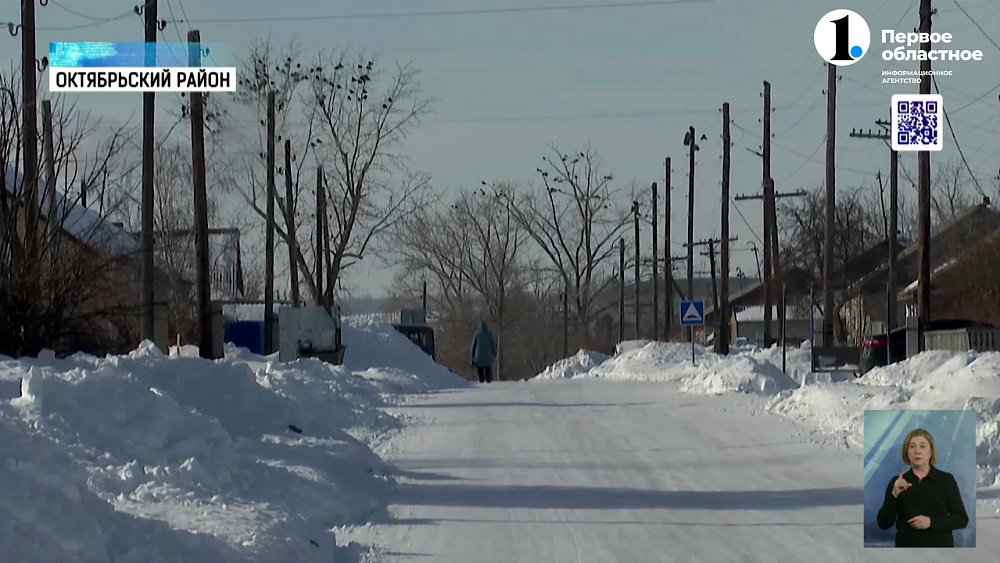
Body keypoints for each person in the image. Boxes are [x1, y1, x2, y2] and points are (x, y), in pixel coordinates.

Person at [876, 428, 969, 547]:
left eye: (923, 446)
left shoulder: (946, 480)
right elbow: (883, 524)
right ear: (906, 452)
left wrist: (930, 522)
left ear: (930, 452)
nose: (917, 451)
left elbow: (961, 519)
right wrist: (894, 495)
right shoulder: (897, 482)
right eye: (912, 446)